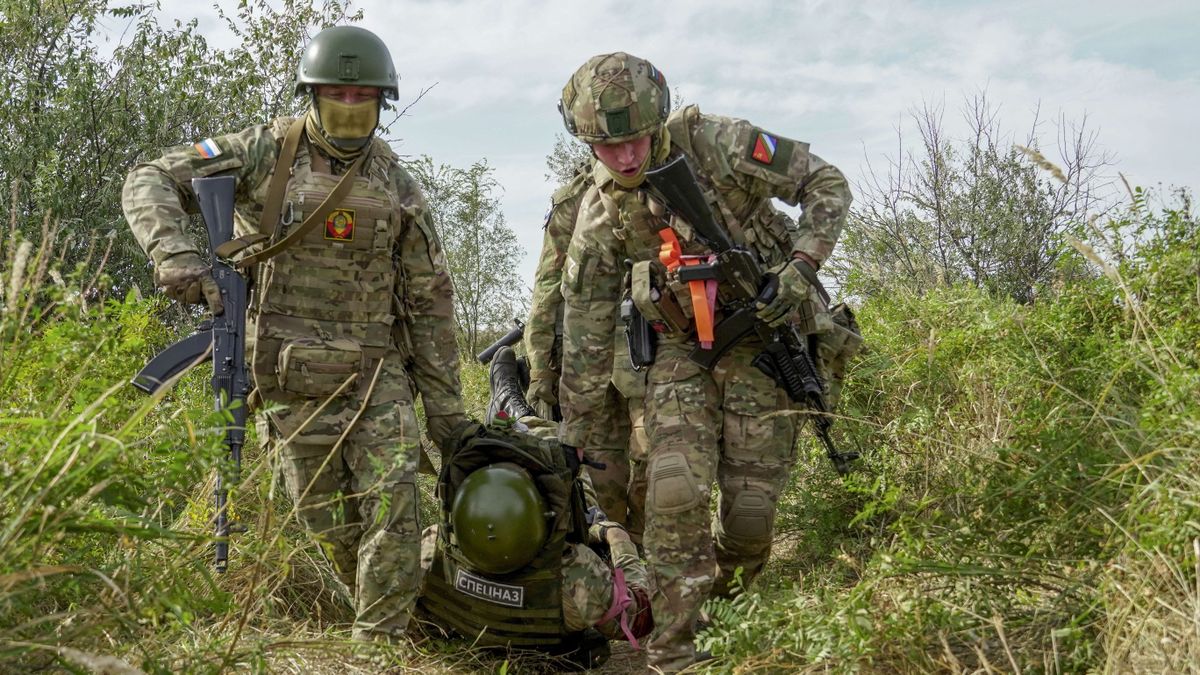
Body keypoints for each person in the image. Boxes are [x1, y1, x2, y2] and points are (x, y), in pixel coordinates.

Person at [121, 25, 467, 642]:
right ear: (311, 96)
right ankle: (410, 603)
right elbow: (149, 175)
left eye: (365, 103)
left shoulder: (398, 186)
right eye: (338, 99)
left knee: (394, 506)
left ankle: (378, 645)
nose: (351, 114)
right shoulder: (261, 150)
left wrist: (445, 409)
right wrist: (176, 255)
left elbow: (429, 300)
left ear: (383, 104)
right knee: (326, 522)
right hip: (287, 373)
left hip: (375, 374)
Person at [555, 52, 858, 671]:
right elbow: (584, 334)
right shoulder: (600, 214)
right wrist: (578, 442)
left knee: (749, 521)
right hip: (679, 352)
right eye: (606, 147)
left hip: (762, 348)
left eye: (634, 140)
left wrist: (801, 268)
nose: (625, 158)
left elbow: (827, 184)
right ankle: (674, 653)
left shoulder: (721, 144)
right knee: (673, 493)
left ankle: (726, 617)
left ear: (657, 121)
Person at [416, 385, 653, 670]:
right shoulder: (577, 575)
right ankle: (525, 415)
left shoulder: (430, 549)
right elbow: (640, 618)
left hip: (461, 650)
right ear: (541, 523)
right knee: (578, 481)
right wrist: (618, 540)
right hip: (547, 658)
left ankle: (518, 411)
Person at [491, 158, 650, 545]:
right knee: (601, 467)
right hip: (590, 361)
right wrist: (543, 371)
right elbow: (546, 290)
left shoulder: (657, 187)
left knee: (654, 459)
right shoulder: (573, 202)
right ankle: (618, 559)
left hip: (644, 353)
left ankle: (643, 553)